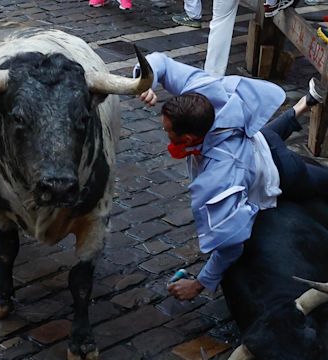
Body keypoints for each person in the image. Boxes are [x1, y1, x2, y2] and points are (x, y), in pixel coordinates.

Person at [134, 52, 328, 300]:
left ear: (189, 139)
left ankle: (303, 107)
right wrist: (146, 82)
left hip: (281, 167)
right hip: (256, 138)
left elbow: (231, 245)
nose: (164, 131)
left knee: (320, 180)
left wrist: (198, 284)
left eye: (167, 130)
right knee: (269, 134)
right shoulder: (203, 91)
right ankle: (303, 105)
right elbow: (159, 62)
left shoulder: (222, 174)